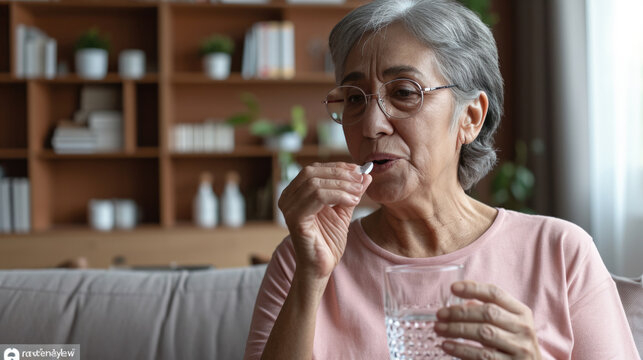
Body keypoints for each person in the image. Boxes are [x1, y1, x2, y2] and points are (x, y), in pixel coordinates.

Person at [243, 0, 640, 358]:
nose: (371, 125)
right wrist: (311, 277)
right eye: (354, 99)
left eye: (403, 92)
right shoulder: (303, 259)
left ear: (470, 117)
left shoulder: (560, 252)